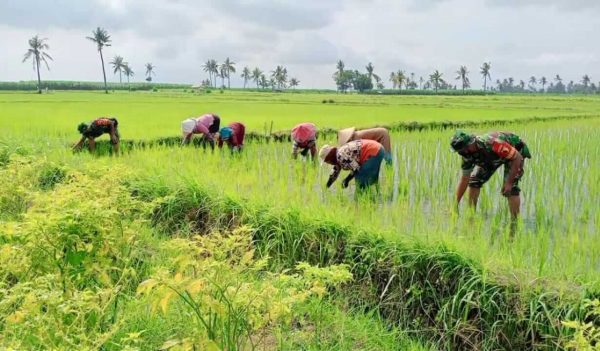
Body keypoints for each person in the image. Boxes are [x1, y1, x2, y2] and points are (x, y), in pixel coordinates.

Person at [450, 130, 531, 220]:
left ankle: (514, 221)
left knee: (511, 189)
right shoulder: (467, 155)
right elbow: (464, 179)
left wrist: (509, 183)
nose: (462, 153)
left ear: (470, 144)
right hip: (492, 157)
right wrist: (455, 205)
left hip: (515, 153)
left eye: (462, 151)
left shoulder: (493, 144)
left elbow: (517, 157)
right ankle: (471, 215)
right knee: (475, 182)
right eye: (460, 152)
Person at [319, 139, 385, 192]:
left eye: (326, 161)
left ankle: (362, 201)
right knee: (371, 180)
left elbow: (356, 168)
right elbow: (334, 175)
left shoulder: (341, 156)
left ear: (330, 156)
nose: (328, 163)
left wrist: (346, 180)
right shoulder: (338, 155)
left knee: (361, 181)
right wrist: (326, 188)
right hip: (377, 149)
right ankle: (376, 196)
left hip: (373, 151)